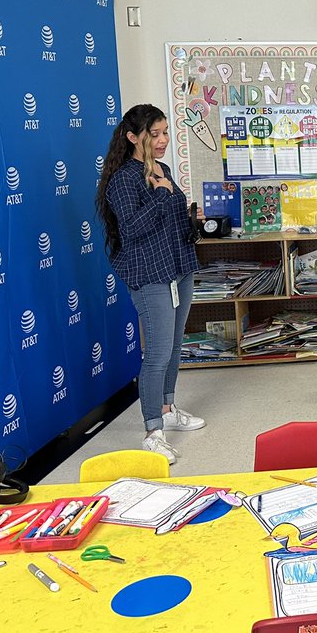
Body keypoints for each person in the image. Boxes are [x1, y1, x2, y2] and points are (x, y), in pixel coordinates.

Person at [97, 104, 204, 463]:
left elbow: (170, 222)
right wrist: (160, 194)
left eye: (164, 133)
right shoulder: (124, 179)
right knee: (157, 351)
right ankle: (152, 429)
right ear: (132, 138)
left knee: (174, 344)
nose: (162, 141)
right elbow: (131, 230)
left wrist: (191, 220)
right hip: (148, 274)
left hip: (178, 267)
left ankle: (169, 407)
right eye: (153, 135)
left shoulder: (164, 169)